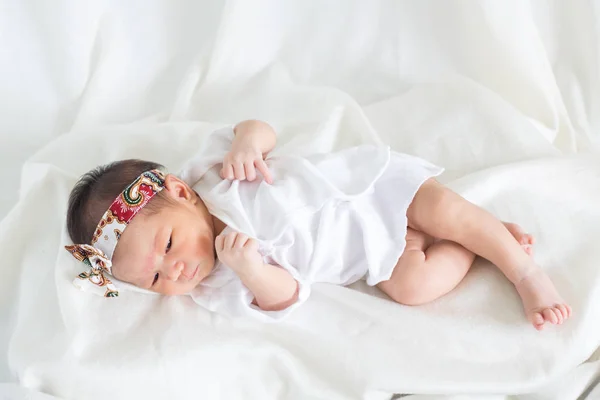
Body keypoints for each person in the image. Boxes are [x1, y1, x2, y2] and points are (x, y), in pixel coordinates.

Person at [65, 120, 571, 330]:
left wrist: (248, 145)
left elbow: (258, 129)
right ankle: (479, 242)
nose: (174, 270)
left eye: (168, 243)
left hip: (370, 189)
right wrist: (253, 271)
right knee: (414, 288)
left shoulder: (210, 173)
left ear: (180, 192)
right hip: (375, 253)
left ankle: (523, 271)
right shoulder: (218, 287)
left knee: (449, 213)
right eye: (155, 279)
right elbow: (287, 299)